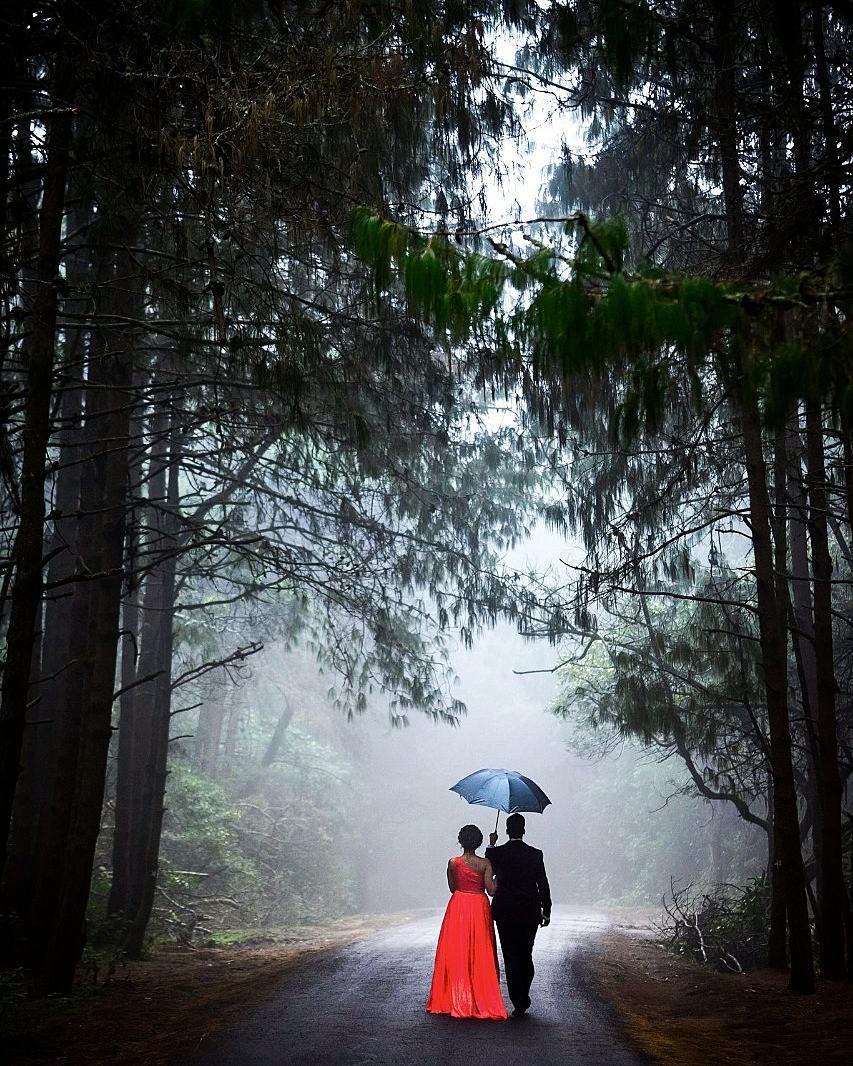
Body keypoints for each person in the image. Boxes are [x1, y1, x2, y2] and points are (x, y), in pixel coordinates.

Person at [426, 824, 507, 1020]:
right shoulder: (486, 863)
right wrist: (497, 876)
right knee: (480, 950)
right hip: (479, 906)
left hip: (459, 906)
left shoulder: (453, 863)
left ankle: (456, 997)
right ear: (479, 842)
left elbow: (453, 888)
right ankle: (479, 996)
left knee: (457, 951)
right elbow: (491, 890)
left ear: (460, 841)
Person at [486, 812, 551, 1017]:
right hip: (529, 912)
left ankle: (518, 1000)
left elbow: (490, 868)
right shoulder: (535, 854)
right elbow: (543, 884)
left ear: (506, 830)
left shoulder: (498, 854)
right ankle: (523, 994)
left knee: (510, 954)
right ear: (524, 830)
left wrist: (491, 844)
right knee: (526, 953)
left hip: (504, 912)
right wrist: (546, 910)